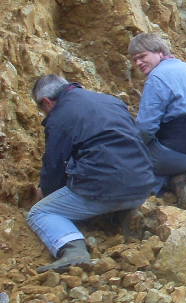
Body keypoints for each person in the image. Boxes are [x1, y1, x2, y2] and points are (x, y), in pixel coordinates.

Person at [26, 75, 160, 272]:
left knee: (40, 213)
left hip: (107, 189)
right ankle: (119, 216)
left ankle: (73, 251)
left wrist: (46, 193)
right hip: (143, 184)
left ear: (46, 102)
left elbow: (55, 165)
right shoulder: (110, 101)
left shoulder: (60, 116)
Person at [128, 34, 186, 208]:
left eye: (142, 56)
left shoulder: (157, 78)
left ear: (160, 52)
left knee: (130, 161)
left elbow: (146, 128)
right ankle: (182, 181)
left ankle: (158, 190)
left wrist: (129, 150)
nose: (138, 62)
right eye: (135, 59)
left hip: (177, 156)